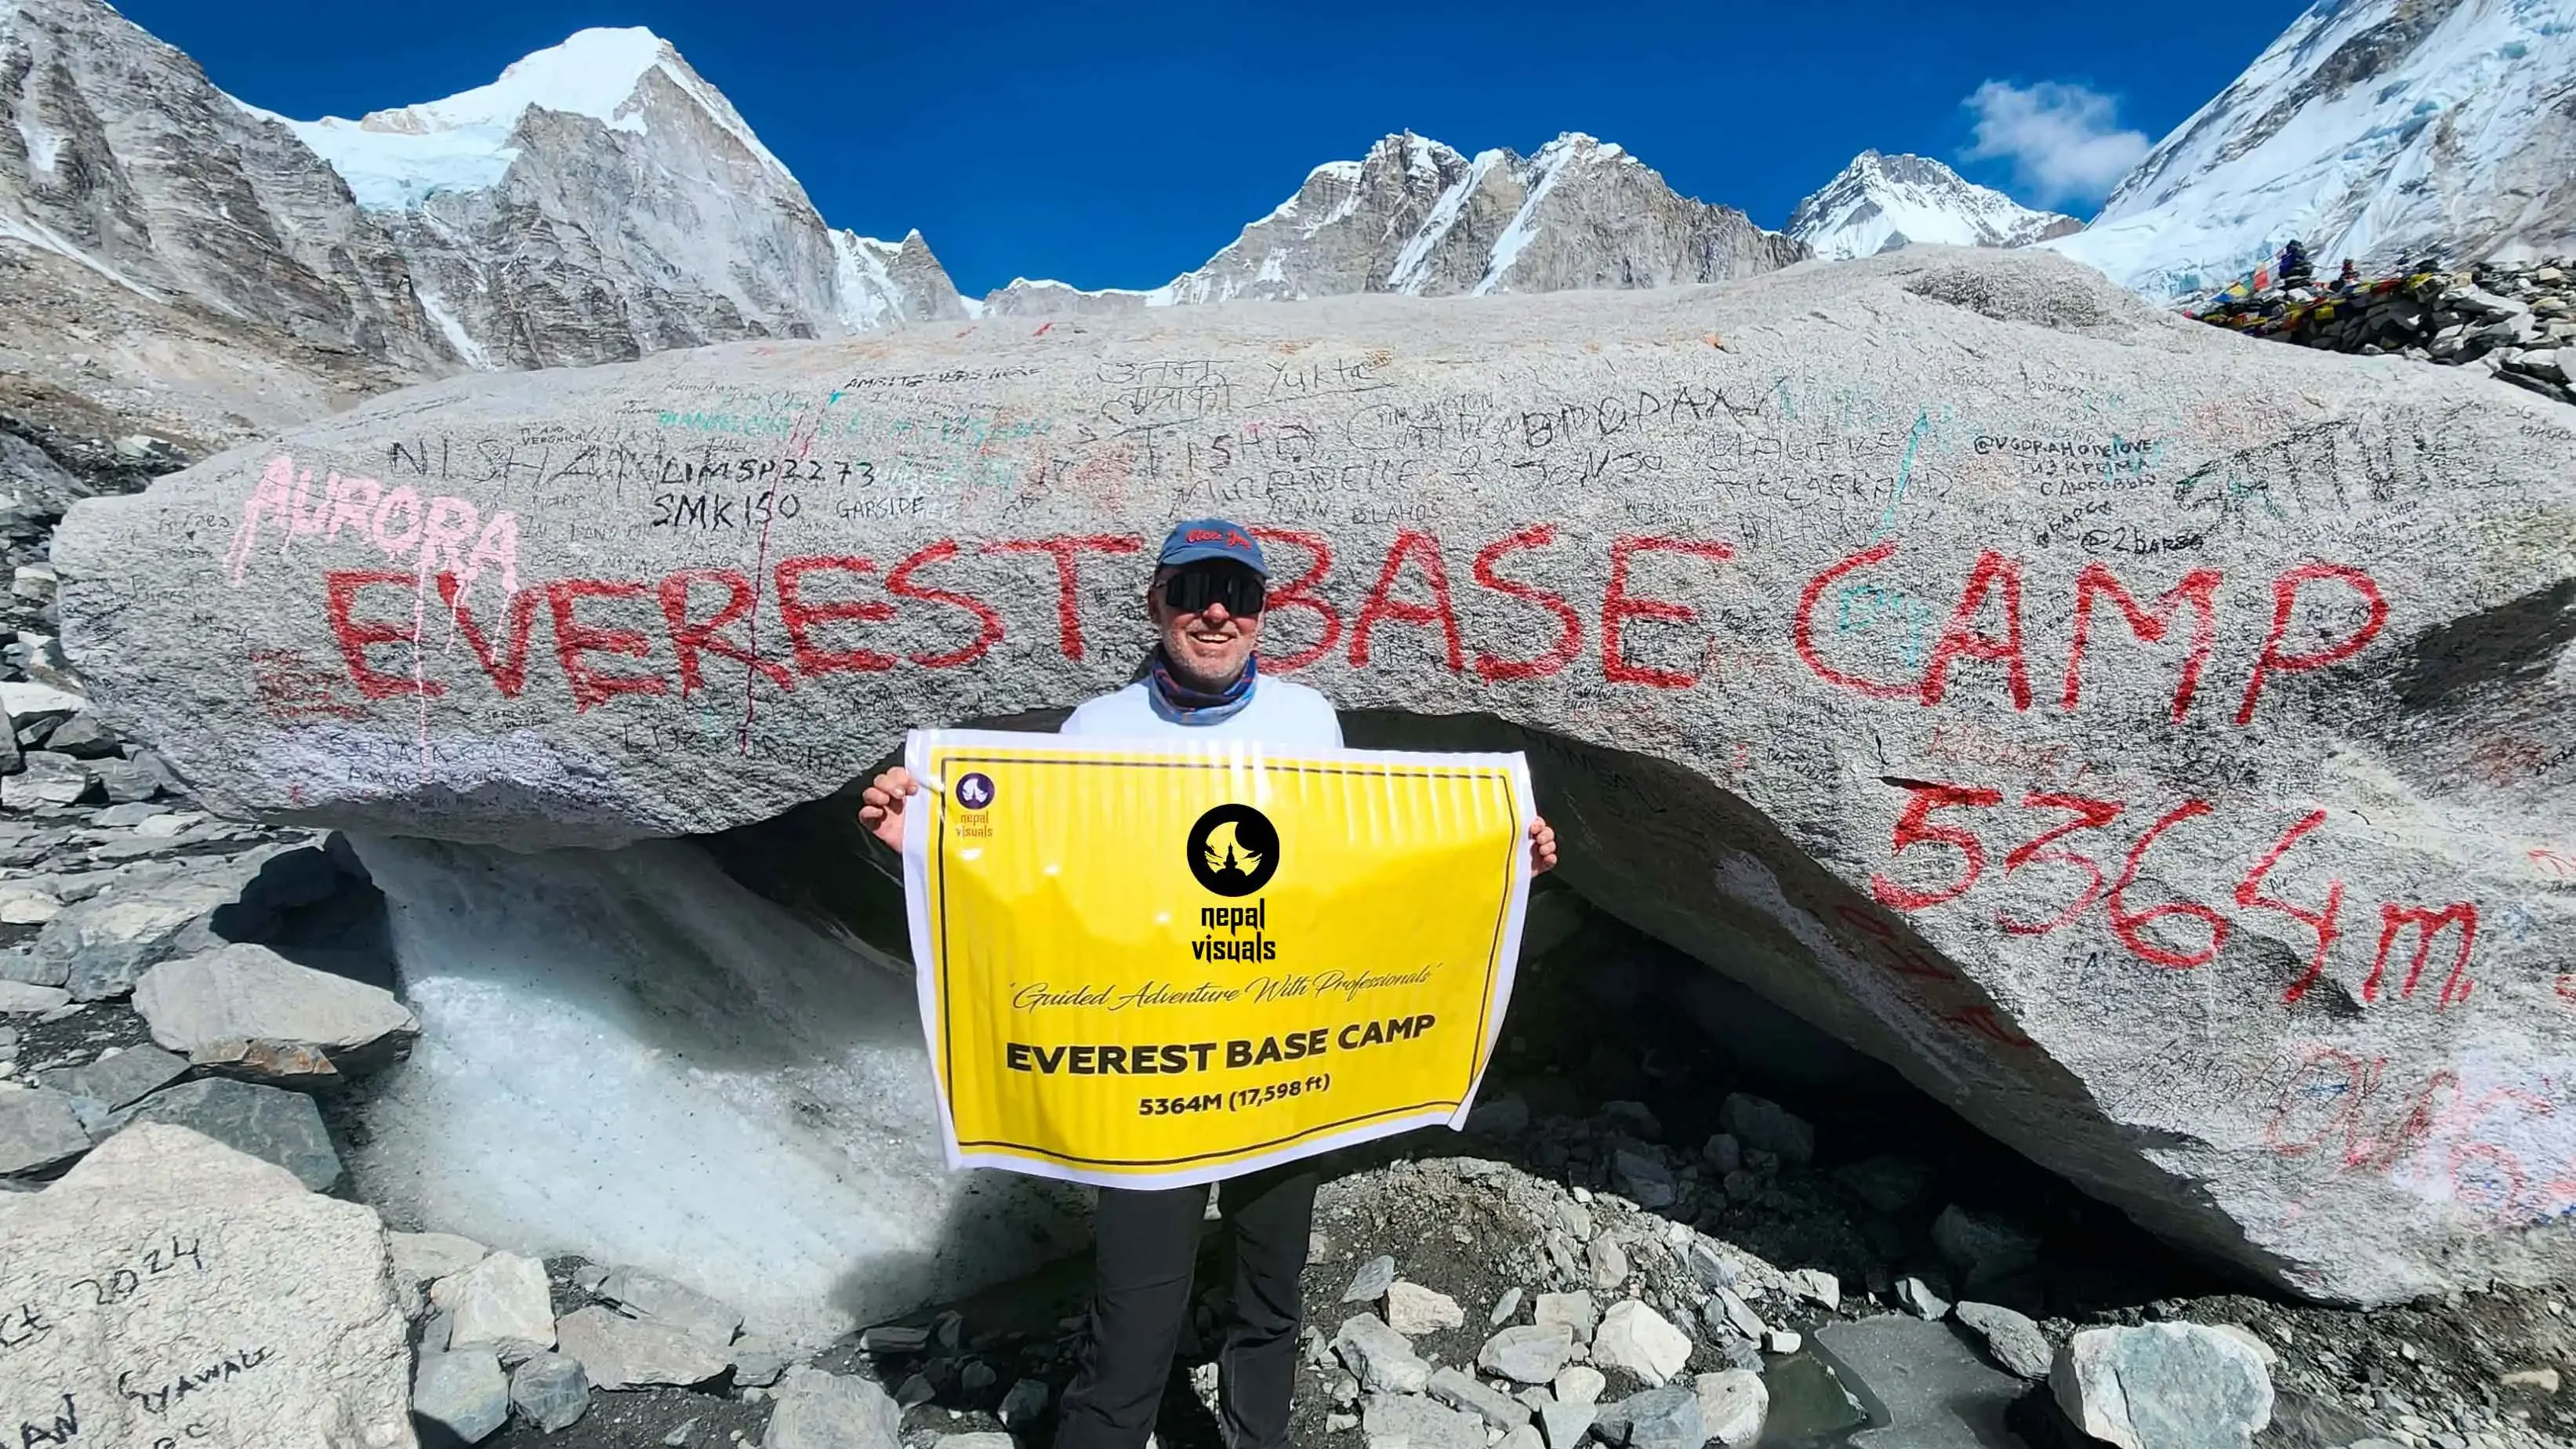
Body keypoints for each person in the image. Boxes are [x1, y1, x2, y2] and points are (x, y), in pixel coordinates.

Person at [860, 518, 1559, 1449]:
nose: (1217, 610)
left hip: (1279, 1069)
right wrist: (917, 850)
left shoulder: (1309, 721)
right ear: (1158, 605)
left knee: (1271, 1297)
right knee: (1133, 1328)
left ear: (1265, 615)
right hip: (1149, 1080)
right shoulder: (1094, 732)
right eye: (1193, 591)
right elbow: (1037, 894)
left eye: (1239, 592)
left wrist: (1502, 863)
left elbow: (1348, 879)